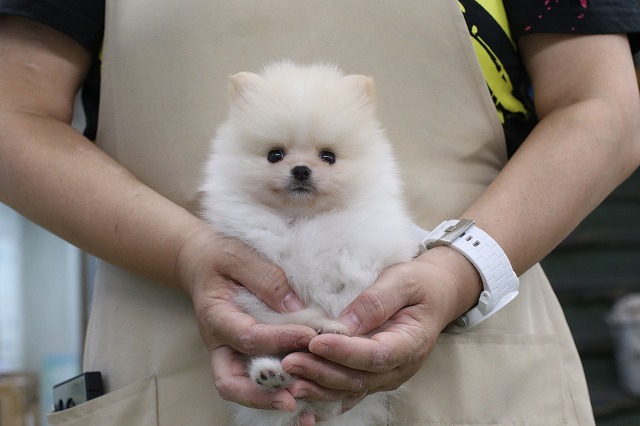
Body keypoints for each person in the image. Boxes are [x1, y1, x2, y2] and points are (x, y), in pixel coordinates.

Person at [1, 1, 639, 424]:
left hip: (474, 355)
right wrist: (185, 252)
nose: (301, 170)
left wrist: (455, 273)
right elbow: (11, 118)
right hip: (175, 363)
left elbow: (605, 108)